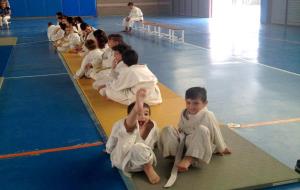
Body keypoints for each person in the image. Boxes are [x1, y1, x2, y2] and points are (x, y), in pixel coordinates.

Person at [159, 87, 231, 172]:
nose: (191, 106)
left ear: (205, 103)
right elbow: (181, 127)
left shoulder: (208, 115)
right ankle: (174, 154)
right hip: (185, 143)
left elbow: (216, 132)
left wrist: (222, 148)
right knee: (167, 129)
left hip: (200, 145)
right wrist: (177, 134)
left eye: (196, 103)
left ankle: (189, 159)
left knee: (202, 129)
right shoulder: (184, 112)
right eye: (188, 103)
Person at [106, 88, 160, 184]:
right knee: (128, 132)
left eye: (146, 114)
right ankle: (135, 110)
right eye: (139, 114)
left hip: (143, 161)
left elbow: (156, 139)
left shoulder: (153, 125)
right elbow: (112, 140)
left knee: (140, 147)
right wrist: (109, 149)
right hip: (124, 161)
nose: (143, 116)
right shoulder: (119, 124)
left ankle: (147, 166)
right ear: (128, 115)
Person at [98, 49, 162, 106]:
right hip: (153, 97)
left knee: (107, 91)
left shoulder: (129, 71)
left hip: (137, 98)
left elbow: (117, 86)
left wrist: (107, 85)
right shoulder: (144, 67)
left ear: (124, 61)